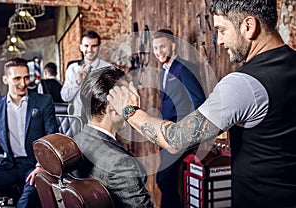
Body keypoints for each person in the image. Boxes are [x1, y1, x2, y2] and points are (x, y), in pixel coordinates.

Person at [107, 0, 296, 207]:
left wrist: (130, 111)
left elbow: (176, 139)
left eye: (222, 30)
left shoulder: (242, 84)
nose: (221, 41)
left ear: (248, 26)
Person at [74, 66, 153, 208]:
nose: (130, 103)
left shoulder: (77, 139)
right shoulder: (121, 163)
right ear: (110, 106)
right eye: (125, 99)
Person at [152, 29, 205, 207]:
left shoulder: (184, 67)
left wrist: (188, 132)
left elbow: (198, 101)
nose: (158, 52)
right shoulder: (163, 72)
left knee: (163, 179)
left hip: (182, 135)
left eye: (162, 47)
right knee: (169, 181)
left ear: (173, 45)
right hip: (167, 133)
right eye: (155, 48)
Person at [0, 58, 58, 207]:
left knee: (28, 199)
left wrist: (41, 166)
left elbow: (52, 136)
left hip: (36, 164)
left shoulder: (44, 101)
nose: (23, 83)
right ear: (5, 79)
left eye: (26, 77)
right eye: (17, 78)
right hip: (10, 164)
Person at [60, 30, 111, 123]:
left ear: (99, 47)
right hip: (77, 121)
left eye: (94, 46)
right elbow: (65, 97)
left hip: (101, 121)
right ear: (81, 47)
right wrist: (78, 83)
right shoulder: (73, 69)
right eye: (86, 46)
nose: (90, 50)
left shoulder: (108, 69)